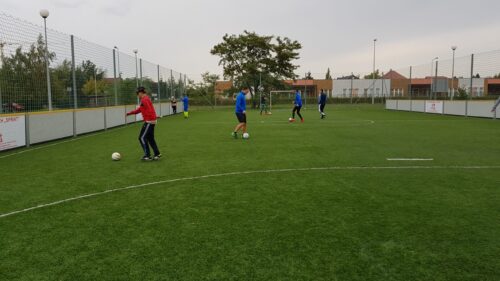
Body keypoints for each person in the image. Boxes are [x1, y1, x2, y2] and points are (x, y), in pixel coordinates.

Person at [126, 87, 161, 161]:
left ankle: (147, 155)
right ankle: (157, 154)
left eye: (137, 94)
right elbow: (140, 109)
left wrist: (152, 118)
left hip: (149, 121)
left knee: (141, 138)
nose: (137, 95)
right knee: (150, 138)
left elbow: (149, 110)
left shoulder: (144, 99)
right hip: (152, 121)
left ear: (141, 93)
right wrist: (130, 113)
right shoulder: (146, 99)